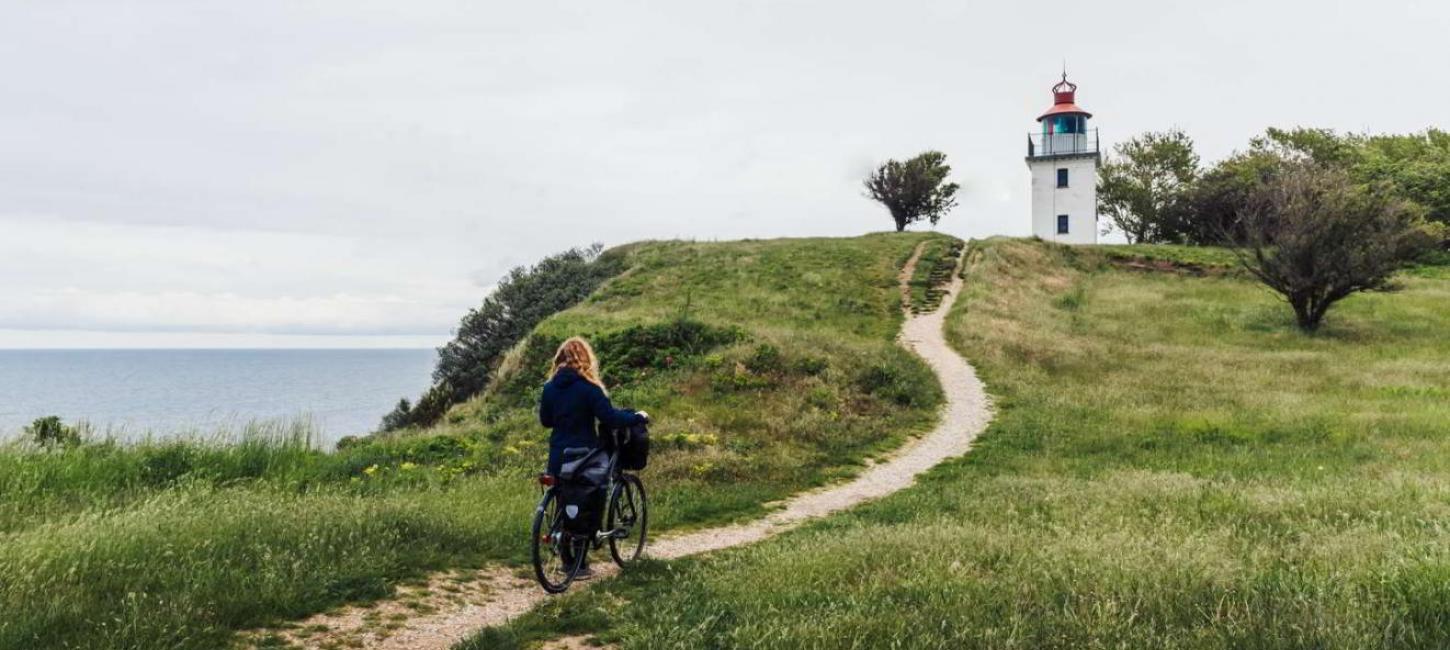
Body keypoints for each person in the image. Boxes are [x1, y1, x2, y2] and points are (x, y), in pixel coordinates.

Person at [538, 336, 647, 578]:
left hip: (558, 455)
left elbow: (546, 421)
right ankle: (579, 563)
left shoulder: (549, 388)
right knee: (586, 502)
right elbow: (610, 418)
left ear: (560, 359)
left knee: (563, 501)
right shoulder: (589, 388)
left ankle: (567, 559)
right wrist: (637, 417)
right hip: (584, 456)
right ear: (585, 359)